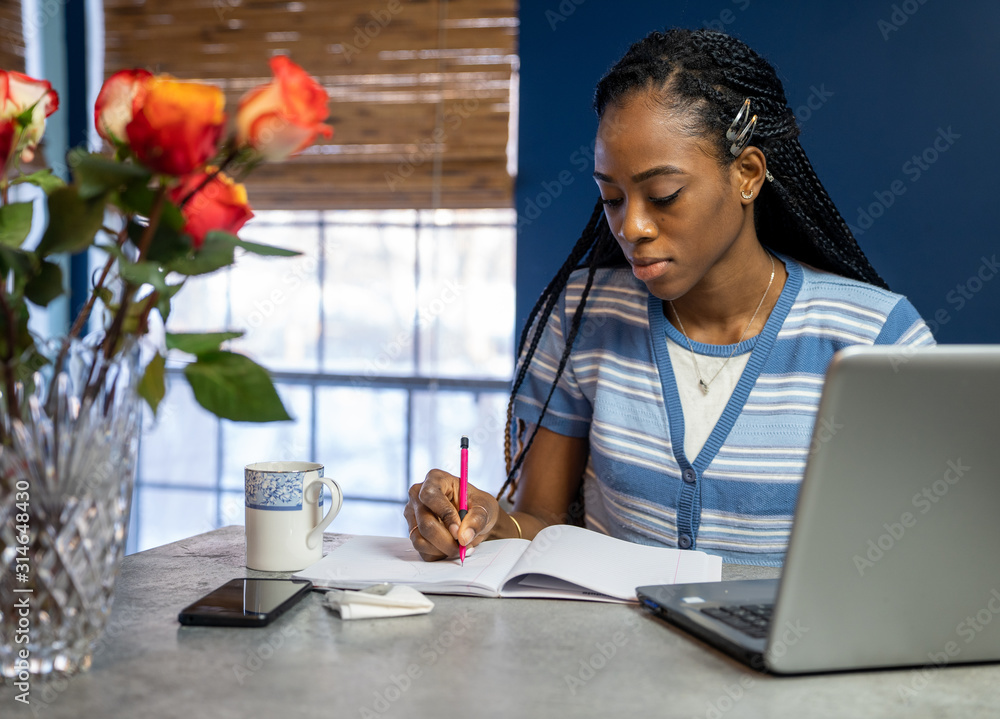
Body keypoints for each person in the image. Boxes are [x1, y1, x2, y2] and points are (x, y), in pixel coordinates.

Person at [404, 27, 935, 566]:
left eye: (663, 195)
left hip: (792, 649)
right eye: (611, 197)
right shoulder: (584, 314)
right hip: (599, 648)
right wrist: (486, 521)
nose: (630, 225)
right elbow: (542, 520)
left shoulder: (874, 337)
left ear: (747, 174)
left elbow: (924, 553)